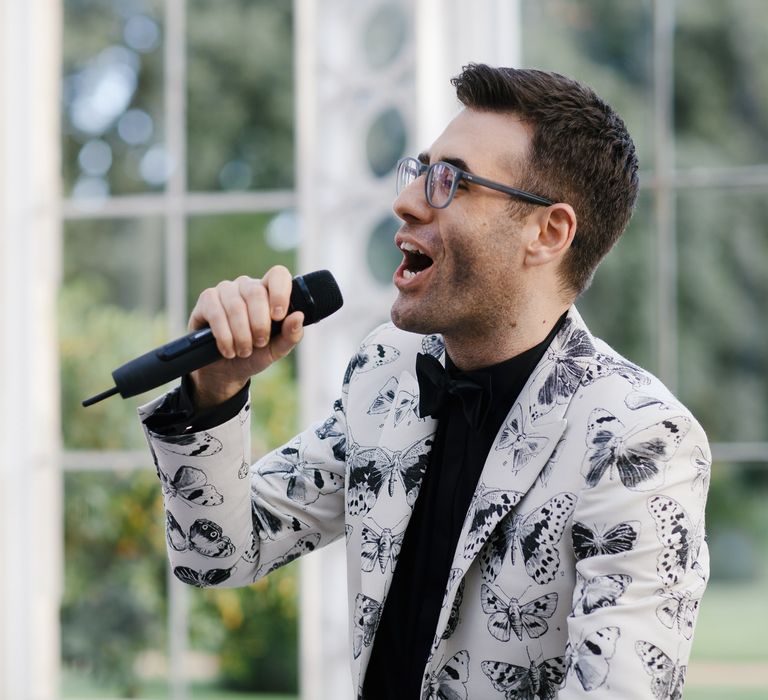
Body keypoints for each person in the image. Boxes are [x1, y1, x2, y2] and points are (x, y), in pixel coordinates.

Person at [140, 64, 710, 699]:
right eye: (422, 169)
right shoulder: (385, 370)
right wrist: (214, 390)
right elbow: (220, 554)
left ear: (548, 233)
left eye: (453, 181)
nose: (406, 201)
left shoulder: (640, 438)